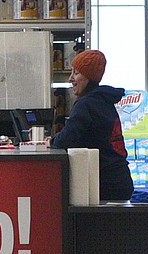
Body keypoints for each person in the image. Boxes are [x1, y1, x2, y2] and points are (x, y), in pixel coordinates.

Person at [50, 49, 134, 202]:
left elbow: (66, 140)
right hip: (119, 180)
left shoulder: (86, 104)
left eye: (76, 73)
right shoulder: (103, 100)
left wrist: (49, 141)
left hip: (104, 185)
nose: (70, 78)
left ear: (88, 77)